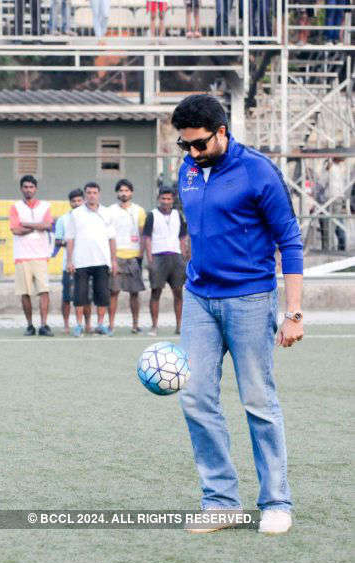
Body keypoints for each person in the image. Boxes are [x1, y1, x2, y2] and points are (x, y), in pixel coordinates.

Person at [172, 94, 303, 534]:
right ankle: (221, 501)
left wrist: (294, 313)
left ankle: (276, 501)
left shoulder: (258, 171)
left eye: (200, 143)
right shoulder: (188, 170)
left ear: (223, 131)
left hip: (250, 298)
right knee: (194, 397)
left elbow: (290, 240)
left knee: (258, 400)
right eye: (185, 144)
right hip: (199, 298)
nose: (192, 153)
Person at [64, 181, 117, 337]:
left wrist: (113, 260)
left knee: (102, 295)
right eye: (88, 193)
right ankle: (79, 325)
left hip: (102, 261)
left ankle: (100, 325)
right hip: (81, 262)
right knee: (80, 295)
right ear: (85, 194)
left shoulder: (107, 213)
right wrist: (69, 260)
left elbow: (112, 238)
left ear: (99, 194)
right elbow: (70, 239)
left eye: (94, 192)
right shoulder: (76, 214)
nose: (91, 195)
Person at [9, 175, 54, 336]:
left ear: (35, 189)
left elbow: (48, 225)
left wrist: (26, 224)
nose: (28, 189)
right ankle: (30, 325)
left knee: (44, 291)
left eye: (31, 187)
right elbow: (15, 230)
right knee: (25, 293)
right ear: (21, 189)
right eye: (26, 187)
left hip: (41, 255)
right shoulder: (15, 207)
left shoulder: (45, 206)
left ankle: (44, 325)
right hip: (22, 256)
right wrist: (37, 226)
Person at [142, 187, 189, 336]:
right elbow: (147, 238)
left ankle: (179, 326)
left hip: (176, 257)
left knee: (178, 293)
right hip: (158, 256)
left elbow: (183, 237)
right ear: (158, 199)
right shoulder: (152, 215)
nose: (166, 201)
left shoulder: (177, 215)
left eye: (169, 199)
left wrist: (184, 255)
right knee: (156, 292)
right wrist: (150, 259)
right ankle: (154, 326)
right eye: (163, 198)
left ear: (173, 200)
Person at [107, 179, 146, 334]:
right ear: (117, 193)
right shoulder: (110, 211)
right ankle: (110, 325)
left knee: (134, 293)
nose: (124, 193)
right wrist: (112, 258)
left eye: (127, 190)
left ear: (132, 192)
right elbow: (108, 235)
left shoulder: (139, 211)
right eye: (121, 190)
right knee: (113, 292)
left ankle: (135, 325)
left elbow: (143, 235)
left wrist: (140, 256)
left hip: (133, 257)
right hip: (116, 257)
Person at [53, 188, 87, 334]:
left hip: (88, 262)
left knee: (87, 296)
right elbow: (58, 241)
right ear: (70, 203)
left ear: (84, 201)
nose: (77, 203)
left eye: (79, 200)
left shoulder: (91, 218)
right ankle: (66, 324)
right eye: (74, 201)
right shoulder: (63, 219)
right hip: (69, 263)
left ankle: (88, 324)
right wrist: (71, 242)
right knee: (67, 296)